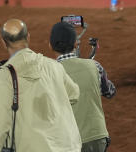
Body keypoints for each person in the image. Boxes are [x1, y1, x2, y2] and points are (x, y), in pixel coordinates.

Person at [0, 19, 81, 152]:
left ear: (3, 42)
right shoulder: (54, 65)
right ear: (28, 37)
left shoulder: (4, 77)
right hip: (69, 146)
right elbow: (74, 94)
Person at [49, 21, 116, 152]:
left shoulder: (48, 72)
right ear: (76, 43)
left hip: (68, 142)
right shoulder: (95, 66)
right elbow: (110, 92)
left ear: (50, 45)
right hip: (97, 138)